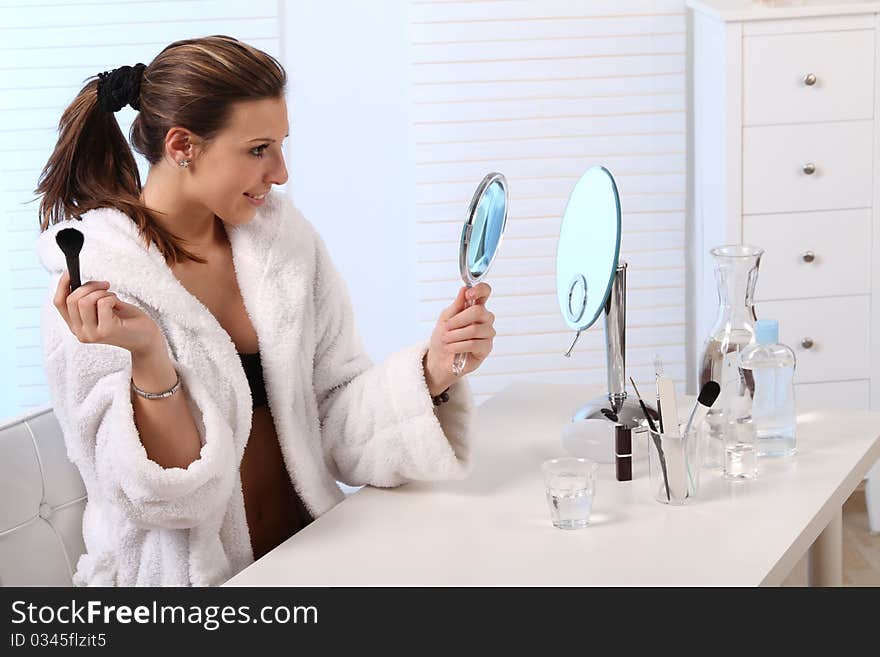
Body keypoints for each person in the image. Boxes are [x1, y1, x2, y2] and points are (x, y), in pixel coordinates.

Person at [34, 35, 496, 586]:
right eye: (258, 149)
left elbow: (331, 414)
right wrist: (148, 356)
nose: (280, 172)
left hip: (309, 559)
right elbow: (160, 499)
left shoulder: (285, 248)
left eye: (281, 145)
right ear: (183, 146)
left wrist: (435, 368)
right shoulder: (98, 284)